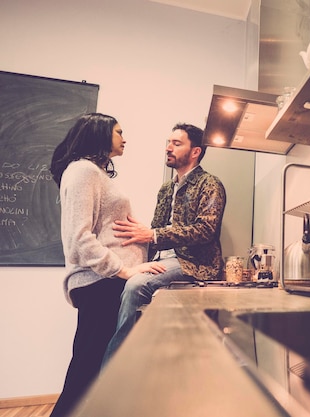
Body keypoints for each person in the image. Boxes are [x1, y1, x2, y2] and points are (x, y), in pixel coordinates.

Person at [49, 113, 166, 417]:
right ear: (100, 134)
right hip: (100, 283)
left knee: (95, 370)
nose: (124, 138)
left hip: (105, 283)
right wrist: (124, 270)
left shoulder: (92, 172)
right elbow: (79, 239)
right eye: (119, 132)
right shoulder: (82, 171)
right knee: (86, 372)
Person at [101, 122, 226, 366]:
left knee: (136, 285)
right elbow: (155, 227)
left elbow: (206, 230)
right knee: (113, 280)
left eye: (176, 144)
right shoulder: (167, 187)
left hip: (193, 263)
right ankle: (134, 369)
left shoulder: (210, 184)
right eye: (168, 143)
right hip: (162, 260)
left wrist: (154, 235)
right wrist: (136, 241)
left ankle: (112, 372)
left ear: (195, 151)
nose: (168, 148)